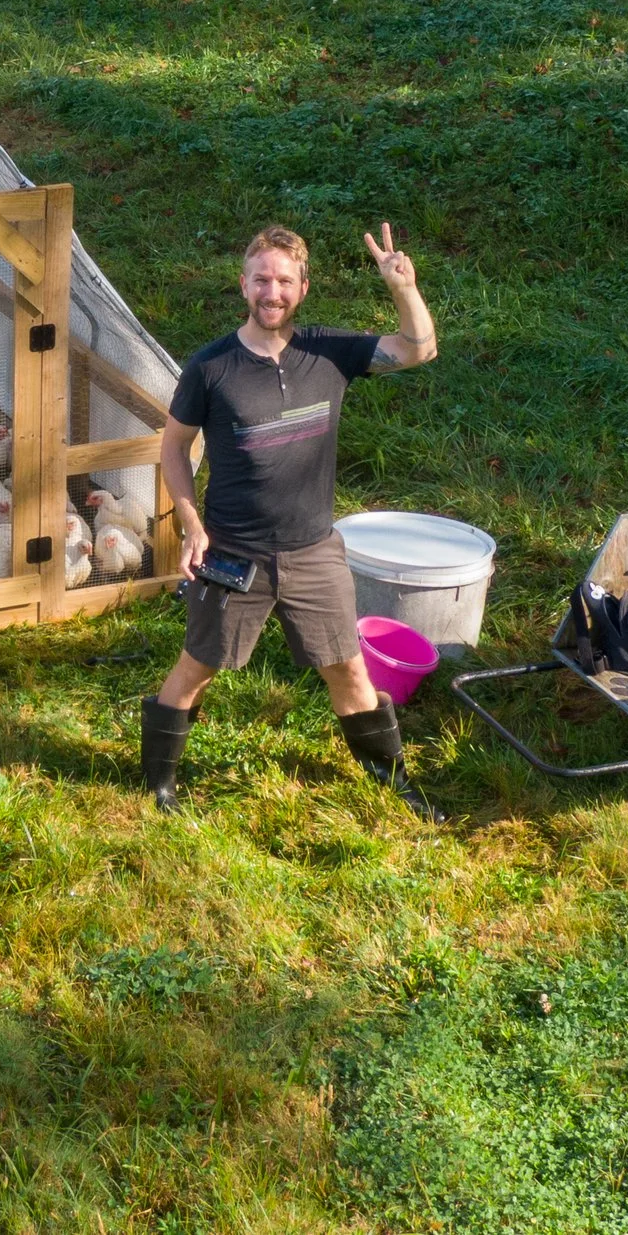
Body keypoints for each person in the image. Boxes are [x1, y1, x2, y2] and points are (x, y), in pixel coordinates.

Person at [139, 222, 442, 818]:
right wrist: (191, 525)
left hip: (313, 551)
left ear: (302, 288)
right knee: (198, 666)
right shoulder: (211, 368)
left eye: (282, 281)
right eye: (260, 279)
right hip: (233, 551)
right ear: (243, 284)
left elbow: (419, 349)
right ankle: (159, 784)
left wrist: (402, 287)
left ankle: (390, 780)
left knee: (348, 670)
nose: (270, 292)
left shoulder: (329, 353)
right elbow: (173, 449)